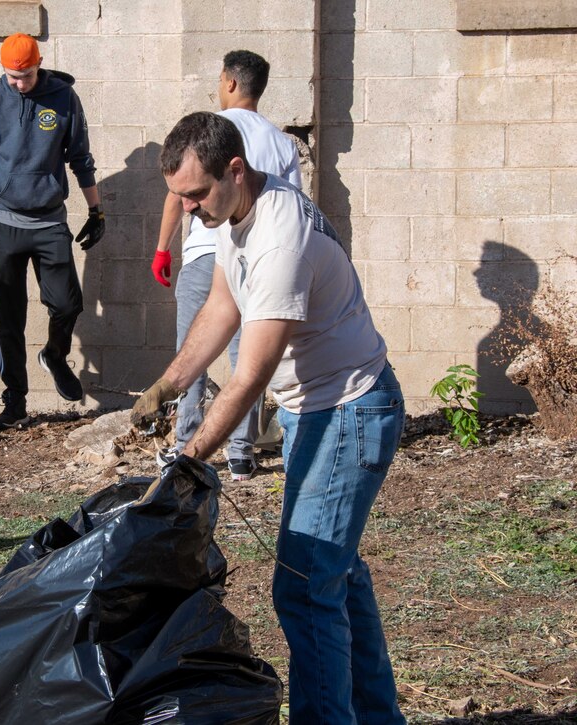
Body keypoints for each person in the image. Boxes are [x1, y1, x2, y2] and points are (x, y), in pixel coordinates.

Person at [132, 112, 406, 724]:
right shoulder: (232, 218)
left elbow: (250, 375)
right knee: (337, 575)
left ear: (235, 169)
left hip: (350, 409)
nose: (190, 211)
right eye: (179, 198)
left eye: (196, 195)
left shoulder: (281, 236)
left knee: (306, 587)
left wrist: (189, 456)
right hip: (320, 411)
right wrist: (168, 384)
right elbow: (221, 307)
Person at [0, 32, 105, 429]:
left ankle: (53, 354)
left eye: (26, 75)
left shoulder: (64, 99)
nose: (19, 83)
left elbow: (80, 158)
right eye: (12, 77)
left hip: (49, 220)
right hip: (3, 222)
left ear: (39, 63)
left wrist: (96, 210)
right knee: (9, 316)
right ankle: (15, 400)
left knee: (67, 304)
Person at [150, 50, 301, 481]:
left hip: (206, 252)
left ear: (230, 83)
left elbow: (177, 195)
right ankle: (240, 450)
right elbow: (288, 200)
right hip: (255, 256)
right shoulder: (280, 141)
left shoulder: (210, 133)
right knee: (243, 353)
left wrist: (163, 249)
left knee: (191, 349)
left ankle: (183, 446)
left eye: (219, 79)